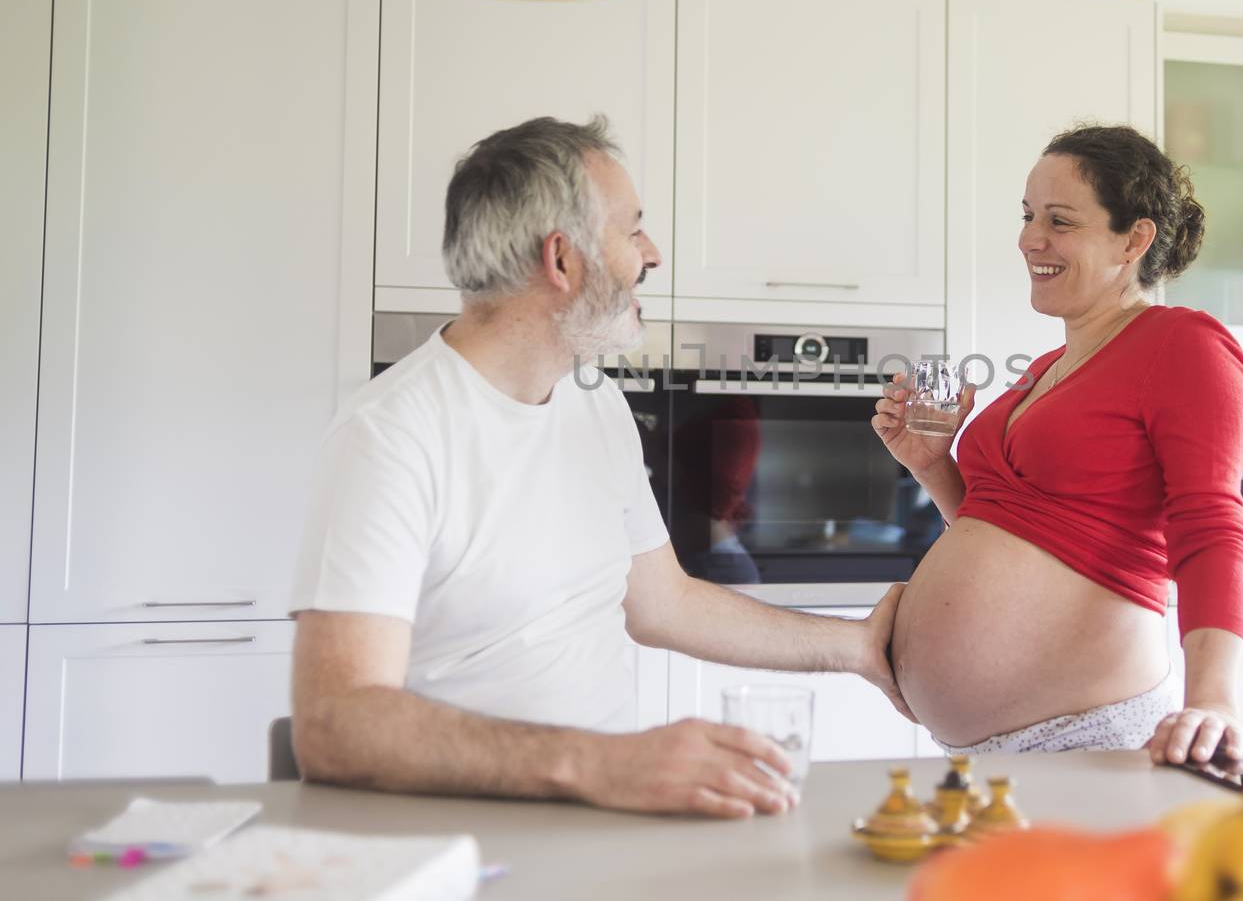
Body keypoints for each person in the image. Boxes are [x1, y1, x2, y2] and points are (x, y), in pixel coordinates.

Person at [290, 116, 908, 819]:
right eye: (632, 229)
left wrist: (856, 648)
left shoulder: (597, 406)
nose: (653, 253)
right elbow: (334, 725)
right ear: (563, 260)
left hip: (604, 821)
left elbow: (663, 602)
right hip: (464, 841)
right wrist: (601, 762)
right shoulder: (392, 434)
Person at [873, 124, 1243, 773]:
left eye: (1060, 220)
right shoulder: (1045, 367)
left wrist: (1213, 700)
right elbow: (1013, 529)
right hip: (983, 747)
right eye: (1027, 216)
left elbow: (1211, 526)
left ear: (1134, 239)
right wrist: (934, 466)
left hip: (1091, 734)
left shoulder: (1183, 345)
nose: (1028, 239)